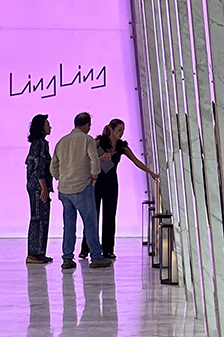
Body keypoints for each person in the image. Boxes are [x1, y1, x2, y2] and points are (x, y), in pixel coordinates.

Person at [80, 119, 158, 260]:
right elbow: (87, 158)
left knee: (110, 216)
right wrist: (101, 158)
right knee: (92, 215)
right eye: (119, 130)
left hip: (111, 183)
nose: (121, 133)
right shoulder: (99, 141)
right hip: (96, 182)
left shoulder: (122, 147)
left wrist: (151, 173)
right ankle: (86, 248)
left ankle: (108, 250)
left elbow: (136, 161)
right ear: (111, 129)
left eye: (123, 130)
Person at [50, 112, 112, 270]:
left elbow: (53, 166)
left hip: (65, 189)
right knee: (90, 223)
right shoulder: (87, 140)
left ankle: (67, 258)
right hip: (82, 187)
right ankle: (96, 256)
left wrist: (60, 177)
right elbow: (94, 160)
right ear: (87, 125)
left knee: (68, 225)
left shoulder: (62, 141)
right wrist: (94, 176)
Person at [24, 114, 54, 265]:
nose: (50, 127)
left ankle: (40, 252)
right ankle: (33, 253)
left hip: (37, 186)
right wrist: (44, 188)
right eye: (47, 124)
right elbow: (39, 167)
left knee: (42, 218)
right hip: (38, 187)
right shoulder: (40, 144)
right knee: (38, 218)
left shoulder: (38, 143)